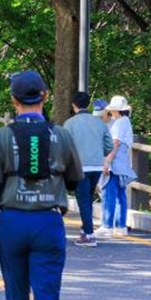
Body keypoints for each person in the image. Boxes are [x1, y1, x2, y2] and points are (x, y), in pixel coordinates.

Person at [0, 70, 83, 300]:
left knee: (16, 299)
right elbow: (74, 181)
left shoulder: (1, 137)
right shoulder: (61, 135)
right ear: (44, 96)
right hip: (48, 221)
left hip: (12, 222)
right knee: (47, 299)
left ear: (14, 100)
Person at [63, 91, 113, 247]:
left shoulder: (70, 123)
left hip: (80, 166)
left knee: (83, 200)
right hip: (97, 165)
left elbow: (65, 146)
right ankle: (86, 230)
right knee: (88, 198)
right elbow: (109, 146)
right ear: (88, 104)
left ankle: (89, 235)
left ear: (74, 105)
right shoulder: (99, 122)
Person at [97, 95, 136, 238]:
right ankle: (120, 226)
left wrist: (107, 162)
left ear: (116, 110)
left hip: (114, 163)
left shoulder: (119, 123)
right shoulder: (125, 121)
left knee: (109, 192)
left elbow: (115, 143)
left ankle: (107, 225)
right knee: (120, 194)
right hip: (122, 163)